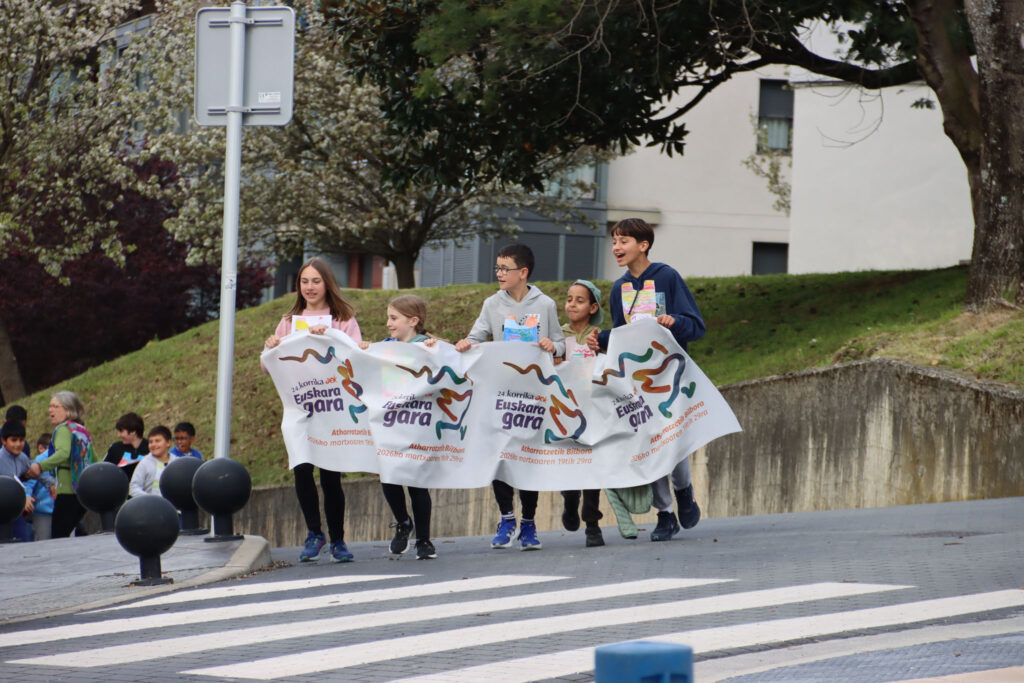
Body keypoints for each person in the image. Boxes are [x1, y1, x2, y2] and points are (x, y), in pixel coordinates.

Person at [587, 217, 705, 542]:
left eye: (623, 241)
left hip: (670, 376)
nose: (616, 247)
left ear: (643, 245)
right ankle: (665, 513)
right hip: (637, 381)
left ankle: (683, 491)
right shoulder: (618, 289)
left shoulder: (667, 276)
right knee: (649, 444)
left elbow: (696, 325)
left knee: (672, 439)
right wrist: (602, 339)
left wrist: (674, 321)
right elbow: (622, 336)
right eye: (614, 241)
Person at [455, 244, 565, 550]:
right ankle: (506, 518)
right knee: (500, 456)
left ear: (523, 272)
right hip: (500, 392)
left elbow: (560, 343)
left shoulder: (545, 304)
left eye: (505, 269)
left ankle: (528, 523)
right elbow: (476, 336)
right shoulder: (492, 304)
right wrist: (465, 343)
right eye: (498, 268)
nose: (499, 274)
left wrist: (553, 346)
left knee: (528, 457)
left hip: (533, 394)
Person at [263, 256, 361, 563]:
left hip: (332, 409)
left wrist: (331, 337)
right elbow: (269, 367)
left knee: (331, 477)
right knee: (302, 470)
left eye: (316, 281)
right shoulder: (289, 320)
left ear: (327, 283)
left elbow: (356, 359)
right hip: (300, 409)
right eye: (304, 281)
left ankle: (338, 540)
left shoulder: (343, 319)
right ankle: (314, 533)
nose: (310, 287)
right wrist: (271, 347)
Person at [359, 294, 439, 560]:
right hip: (390, 422)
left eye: (394, 318)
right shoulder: (385, 347)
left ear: (413, 321)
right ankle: (403, 522)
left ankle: (424, 540)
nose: (388, 323)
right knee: (389, 476)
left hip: (416, 424)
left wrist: (435, 349)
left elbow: (448, 364)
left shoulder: (427, 346)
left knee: (417, 483)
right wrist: (365, 350)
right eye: (388, 318)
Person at [556, 279, 606, 548]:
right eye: (569, 299)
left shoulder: (598, 336)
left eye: (580, 300)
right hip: (563, 410)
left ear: (592, 307)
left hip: (592, 410)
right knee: (567, 461)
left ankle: (592, 523)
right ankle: (569, 499)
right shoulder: (557, 335)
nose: (572, 304)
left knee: (592, 464)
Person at [25, 391, 97, 538]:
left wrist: (40, 466)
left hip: (67, 490)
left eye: (55, 406)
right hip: (83, 490)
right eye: (49, 406)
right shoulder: (81, 430)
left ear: (68, 410)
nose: (50, 410)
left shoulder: (63, 429)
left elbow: (63, 453)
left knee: (59, 536)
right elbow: (93, 458)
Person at [0, 421, 37, 541]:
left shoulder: (22, 458)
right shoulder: (1, 458)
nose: (18, 444)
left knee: (23, 540)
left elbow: (34, 472)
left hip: (15, 509)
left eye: (21, 440)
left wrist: (51, 484)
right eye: (14, 440)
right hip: (3, 507)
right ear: (4, 441)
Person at [129, 426, 180, 497]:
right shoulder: (145, 463)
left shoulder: (177, 462)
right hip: (150, 502)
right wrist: (150, 498)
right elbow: (133, 488)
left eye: (157, 441)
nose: (153, 445)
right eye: (150, 442)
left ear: (168, 442)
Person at [103, 412, 149, 480]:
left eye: (121, 431)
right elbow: (103, 470)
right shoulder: (115, 449)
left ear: (133, 432)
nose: (118, 435)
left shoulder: (151, 448)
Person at [28, 433, 57, 541]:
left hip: (65, 510)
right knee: (43, 543)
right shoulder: (40, 460)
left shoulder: (70, 458)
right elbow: (28, 482)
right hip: (43, 513)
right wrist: (27, 496)